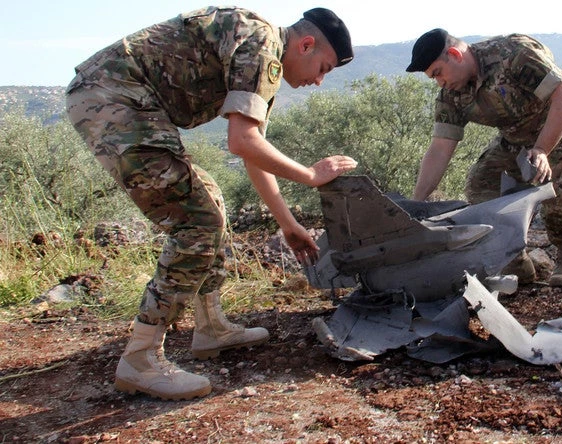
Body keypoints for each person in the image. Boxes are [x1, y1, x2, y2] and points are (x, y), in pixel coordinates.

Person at [66, 6, 358, 400]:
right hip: (112, 98)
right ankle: (140, 357)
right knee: (197, 221)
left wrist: (288, 224)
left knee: (210, 200)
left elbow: (252, 151)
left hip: (122, 98)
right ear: (306, 45)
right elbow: (242, 142)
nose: (319, 81)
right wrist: (310, 174)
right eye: (323, 68)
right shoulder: (262, 46)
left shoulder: (263, 56)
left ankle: (210, 328)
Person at [405, 28, 562, 287]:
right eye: (433, 78)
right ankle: (515, 262)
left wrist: (542, 150)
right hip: (517, 135)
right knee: (482, 186)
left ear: (455, 54)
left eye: (438, 72)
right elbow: (440, 149)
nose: (439, 82)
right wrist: (415, 207)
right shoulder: (451, 94)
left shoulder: (513, 55)